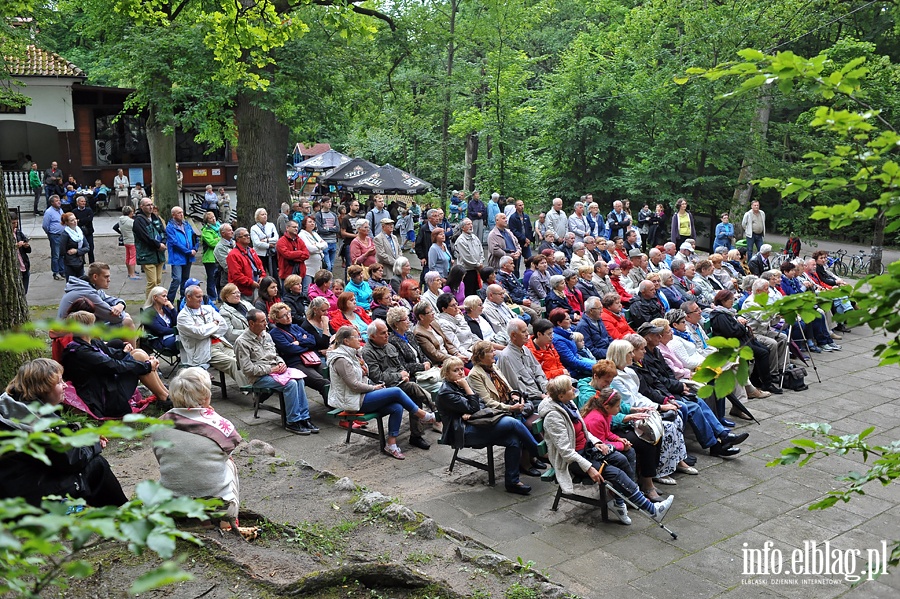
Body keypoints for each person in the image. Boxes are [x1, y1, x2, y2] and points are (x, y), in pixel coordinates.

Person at [538, 375, 674, 524]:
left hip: (587, 450)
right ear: (561, 395)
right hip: (574, 460)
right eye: (570, 388)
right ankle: (652, 510)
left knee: (621, 459)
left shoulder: (568, 404)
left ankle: (619, 503)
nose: (574, 389)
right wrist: (589, 468)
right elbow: (566, 451)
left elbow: (583, 430)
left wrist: (597, 442)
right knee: (616, 473)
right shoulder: (553, 417)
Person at [0, 358, 128, 507]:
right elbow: (71, 461)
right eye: (59, 382)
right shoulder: (37, 423)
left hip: (11, 489)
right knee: (97, 465)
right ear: (43, 388)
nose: (65, 385)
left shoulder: (13, 408)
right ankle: (126, 511)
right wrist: (94, 443)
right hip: (28, 498)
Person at [152, 367, 249, 534]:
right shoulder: (222, 426)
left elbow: (160, 458)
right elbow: (227, 455)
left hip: (171, 504)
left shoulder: (158, 425)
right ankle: (228, 521)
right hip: (218, 505)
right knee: (230, 465)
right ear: (205, 396)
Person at [328, 326, 436, 459]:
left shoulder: (353, 354)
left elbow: (359, 377)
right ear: (346, 341)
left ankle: (391, 444)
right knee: (396, 392)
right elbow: (354, 386)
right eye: (355, 337)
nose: (360, 339)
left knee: (397, 406)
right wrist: (374, 388)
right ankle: (424, 415)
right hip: (354, 400)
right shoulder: (341, 359)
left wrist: (366, 376)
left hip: (362, 395)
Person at [437, 356, 538, 494]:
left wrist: (471, 410)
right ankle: (539, 451)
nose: (461, 372)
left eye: (461, 369)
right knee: (513, 423)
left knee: (513, 440)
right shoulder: (446, 392)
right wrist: (468, 390)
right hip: (463, 432)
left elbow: (481, 404)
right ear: (446, 374)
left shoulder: (459, 384)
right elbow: (475, 407)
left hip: (477, 423)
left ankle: (512, 482)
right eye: (456, 370)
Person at [62, 311, 169, 418]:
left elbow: (112, 354)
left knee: (138, 353)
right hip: (106, 397)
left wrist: (125, 351)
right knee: (139, 359)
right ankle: (164, 397)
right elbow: (114, 366)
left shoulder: (91, 343)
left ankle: (165, 394)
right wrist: (147, 366)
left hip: (108, 383)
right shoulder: (81, 352)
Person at [234, 309, 317, 435]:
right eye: (262, 321)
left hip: (276, 372)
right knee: (291, 384)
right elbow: (247, 369)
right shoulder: (242, 342)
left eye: (265, 320)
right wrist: (271, 369)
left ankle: (304, 418)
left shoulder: (266, 335)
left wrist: (281, 362)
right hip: (258, 378)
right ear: (251, 323)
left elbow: (275, 354)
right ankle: (292, 421)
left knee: (299, 379)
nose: (266, 323)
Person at [362, 320, 438, 450]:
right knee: (413, 388)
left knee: (414, 393)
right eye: (383, 333)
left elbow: (400, 366)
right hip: (382, 389)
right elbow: (377, 377)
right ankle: (436, 411)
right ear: (372, 336)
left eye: (387, 331)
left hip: (399, 383)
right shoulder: (368, 352)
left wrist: (405, 374)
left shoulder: (389, 346)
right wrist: (399, 375)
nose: (387, 335)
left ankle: (418, 434)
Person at [177, 285, 243, 384]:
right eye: (198, 297)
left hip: (221, 343)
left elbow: (223, 326)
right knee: (232, 362)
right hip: (205, 349)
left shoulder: (208, 309)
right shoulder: (183, 316)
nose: (201, 299)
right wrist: (213, 324)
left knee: (241, 358)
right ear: (188, 297)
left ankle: (255, 382)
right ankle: (248, 388)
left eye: (202, 296)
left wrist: (206, 329)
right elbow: (199, 333)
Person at [268, 303, 329, 398]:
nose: (288, 316)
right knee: (322, 381)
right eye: (283, 315)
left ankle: (338, 401)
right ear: (276, 319)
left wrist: (299, 342)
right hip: (296, 363)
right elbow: (290, 349)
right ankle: (331, 404)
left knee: (330, 374)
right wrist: (305, 343)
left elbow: (312, 341)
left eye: (288, 313)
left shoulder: (295, 327)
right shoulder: (275, 333)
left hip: (310, 358)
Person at [58, 262, 133, 328]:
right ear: (95, 277)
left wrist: (121, 305)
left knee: (126, 317)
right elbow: (116, 318)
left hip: (79, 330)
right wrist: (120, 311)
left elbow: (110, 300)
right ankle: (130, 345)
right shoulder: (87, 293)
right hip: (69, 336)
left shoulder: (91, 287)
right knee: (127, 322)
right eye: (106, 277)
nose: (109, 280)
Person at [165, 206, 198, 304]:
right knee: (177, 279)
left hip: (189, 256)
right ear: (173, 215)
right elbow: (174, 243)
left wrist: (195, 249)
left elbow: (195, 237)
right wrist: (188, 251)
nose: (181, 214)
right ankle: (169, 300)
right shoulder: (170, 227)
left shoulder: (187, 224)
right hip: (177, 257)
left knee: (185, 279)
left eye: (182, 212)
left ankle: (184, 300)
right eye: (179, 213)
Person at [549, 309, 594, 378]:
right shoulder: (558, 340)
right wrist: (594, 366)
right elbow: (572, 361)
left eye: (570, 318)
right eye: (567, 319)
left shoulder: (568, 332)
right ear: (559, 323)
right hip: (573, 371)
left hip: (579, 361)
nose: (570, 320)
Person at [227, 227, 267, 301]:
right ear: (238, 239)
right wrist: (251, 283)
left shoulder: (251, 250)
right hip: (242, 291)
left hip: (255, 288)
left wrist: (262, 277)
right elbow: (237, 275)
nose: (248, 237)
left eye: (248, 235)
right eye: (245, 236)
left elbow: (260, 265)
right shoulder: (233, 254)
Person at [142, 286, 178, 352]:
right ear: (155, 297)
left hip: (173, 336)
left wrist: (172, 309)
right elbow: (161, 330)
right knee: (186, 341)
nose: (166, 298)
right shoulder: (148, 313)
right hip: (161, 341)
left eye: (166, 296)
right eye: (163, 296)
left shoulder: (166, 308)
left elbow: (177, 322)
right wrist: (177, 331)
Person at [251, 208, 279, 282]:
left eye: (265, 214)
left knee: (274, 274)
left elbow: (276, 238)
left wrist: (266, 240)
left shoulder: (271, 225)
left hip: (271, 253)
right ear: (257, 217)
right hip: (260, 254)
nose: (265, 216)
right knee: (262, 275)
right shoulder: (254, 228)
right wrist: (269, 245)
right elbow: (257, 243)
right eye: (262, 214)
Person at [60, 212, 89, 280]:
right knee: (71, 283)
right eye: (72, 220)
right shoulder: (65, 234)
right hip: (70, 263)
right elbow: (62, 251)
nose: (75, 221)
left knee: (81, 283)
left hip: (80, 261)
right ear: (67, 222)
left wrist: (76, 251)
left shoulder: (79, 232)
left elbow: (87, 247)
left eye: (75, 219)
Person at [200, 211, 221, 301]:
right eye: (210, 218)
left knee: (219, 278)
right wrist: (221, 239)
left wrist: (218, 239)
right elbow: (212, 243)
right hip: (210, 258)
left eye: (214, 217)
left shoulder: (219, 227)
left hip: (219, 257)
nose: (213, 219)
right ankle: (212, 297)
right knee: (211, 278)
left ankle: (220, 296)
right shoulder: (206, 230)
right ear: (207, 221)